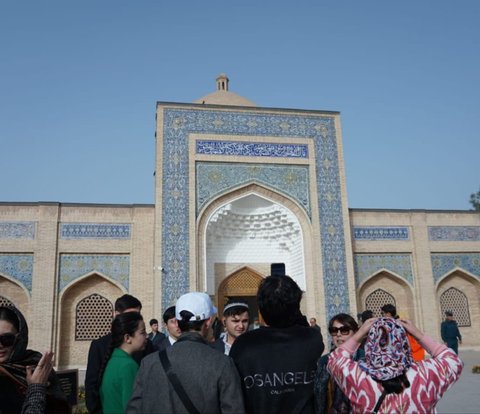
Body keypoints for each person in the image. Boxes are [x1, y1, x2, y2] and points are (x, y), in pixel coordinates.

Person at [126, 292, 245, 414]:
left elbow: (134, 409)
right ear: (208, 322)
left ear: (177, 322)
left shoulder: (149, 363)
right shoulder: (222, 363)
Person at [230, 275, 325, 414]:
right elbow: (302, 324)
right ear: (296, 307)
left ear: (260, 309)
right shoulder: (311, 338)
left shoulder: (243, 345)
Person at [327, 317, 463, 413]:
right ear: (403, 342)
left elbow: (335, 359)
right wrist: (417, 334)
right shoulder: (426, 374)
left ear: (370, 343)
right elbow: (452, 359)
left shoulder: (357, 376)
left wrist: (360, 333)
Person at [85, 294, 154, 413]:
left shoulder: (145, 346)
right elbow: (92, 387)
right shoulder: (102, 347)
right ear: (117, 315)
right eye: (131, 315)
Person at [0, 306, 70, 414]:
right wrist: (36, 389)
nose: (0, 345)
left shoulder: (34, 364)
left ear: (19, 338)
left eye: (6, 339)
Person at [314, 313, 364, 414]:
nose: (339, 334)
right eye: (334, 330)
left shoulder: (364, 359)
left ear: (355, 333)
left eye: (344, 330)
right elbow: (319, 398)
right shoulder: (324, 361)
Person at [99, 312, 147, 414]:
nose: (146, 336)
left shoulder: (114, 359)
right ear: (127, 338)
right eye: (142, 333)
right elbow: (133, 408)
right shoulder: (128, 366)